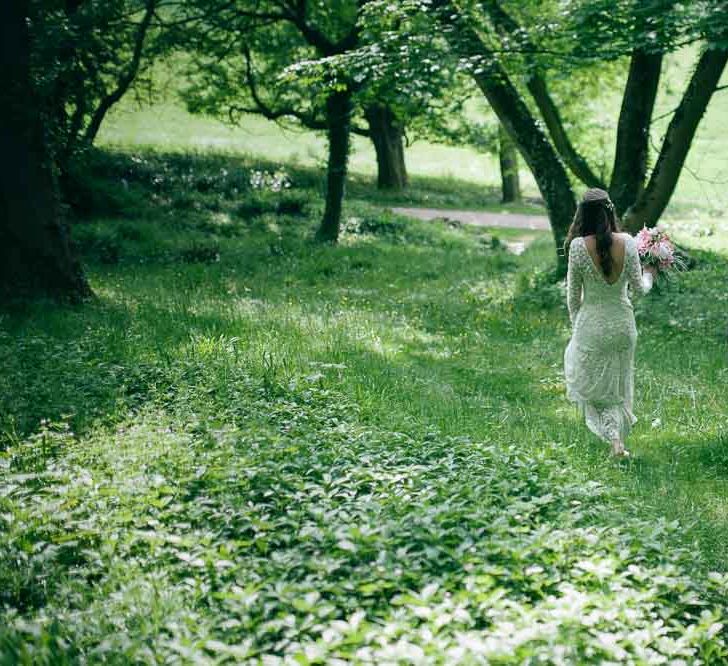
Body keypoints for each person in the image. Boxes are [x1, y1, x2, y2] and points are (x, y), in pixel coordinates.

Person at [563, 188, 655, 457]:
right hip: (623, 326)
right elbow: (639, 290)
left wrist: (576, 328)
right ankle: (617, 443)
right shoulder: (627, 242)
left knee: (595, 389)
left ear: (582, 215)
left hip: (592, 326)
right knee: (618, 386)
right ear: (610, 211)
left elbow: (572, 298)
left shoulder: (578, 247)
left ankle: (615, 440)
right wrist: (650, 273)